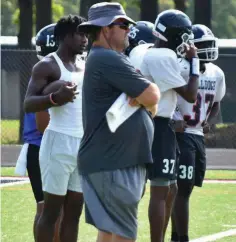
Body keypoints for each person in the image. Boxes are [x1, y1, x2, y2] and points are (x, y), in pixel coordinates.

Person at [77, 2, 160, 242]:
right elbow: (153, 95)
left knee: (109, 231)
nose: (128, 30)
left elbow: (149, 100)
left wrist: (147, 99)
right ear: (105, 28)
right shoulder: (107, 58)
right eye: (122, 24)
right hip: (114, 162)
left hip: (109, 160)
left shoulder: (103, 58)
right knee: (123, 233)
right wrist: (148, 98)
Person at [132, 9, 200, 242]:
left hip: (148, 122)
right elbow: (191, 95)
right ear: (174, 35)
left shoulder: (143, 50)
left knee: (169, 189)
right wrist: (195, 63)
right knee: (161, 190)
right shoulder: (163, 56)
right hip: (157, 125)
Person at [24, 15, 88, 242]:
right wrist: (54, 97)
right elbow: (28, 103)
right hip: (57, 142)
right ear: (64, 36)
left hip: (81, 144)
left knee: (74, 214)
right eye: (80, 33)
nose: (84, 38)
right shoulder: (48, 65)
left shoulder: (84, 63)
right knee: (51, 213)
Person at [171, 24, 226, 242]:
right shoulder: (179, 68)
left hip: (197, 136)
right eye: (202, 45)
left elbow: (217, 104)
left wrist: (209, 122)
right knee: (182, 189)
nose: (208, 49)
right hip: (180, 135)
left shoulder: (216, 72)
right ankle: (181, 237)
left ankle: (176, 235)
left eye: (209, 45)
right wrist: (172, 121)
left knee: (187, 189)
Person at [15, 23, 61, 242]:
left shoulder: (41, 73)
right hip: (44, 147)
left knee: (43, 208)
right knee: (50, 211)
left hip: (37, 147)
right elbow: (44, 124)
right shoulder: (48, 75)